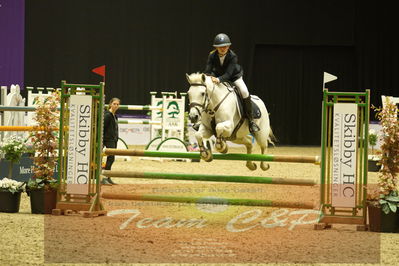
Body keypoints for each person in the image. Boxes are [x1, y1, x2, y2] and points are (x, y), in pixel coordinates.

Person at [204, 33, 260, 133]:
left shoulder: (233, 56)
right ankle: (202, 121)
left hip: (234, 77)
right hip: (218, 77)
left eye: (225, 46)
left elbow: (229, 74)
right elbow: (208, 70)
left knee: (244, 91)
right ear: (216, 47)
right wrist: (208, 77)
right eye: (220, 46)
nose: (223, 48)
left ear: (229, 46)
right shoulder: (212, 55)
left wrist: (218, 80)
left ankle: (251, 121)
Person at [102, 97, 120, 185]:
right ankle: (104, 178)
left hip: (113, 139)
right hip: (107, 139)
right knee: (110, 158)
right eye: (114, 104)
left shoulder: (115, 116)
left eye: (117, 104)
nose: (116, 106)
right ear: (110, 104)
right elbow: (102, 128)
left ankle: (108, 177)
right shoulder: (108, 115)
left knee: (111, 159)